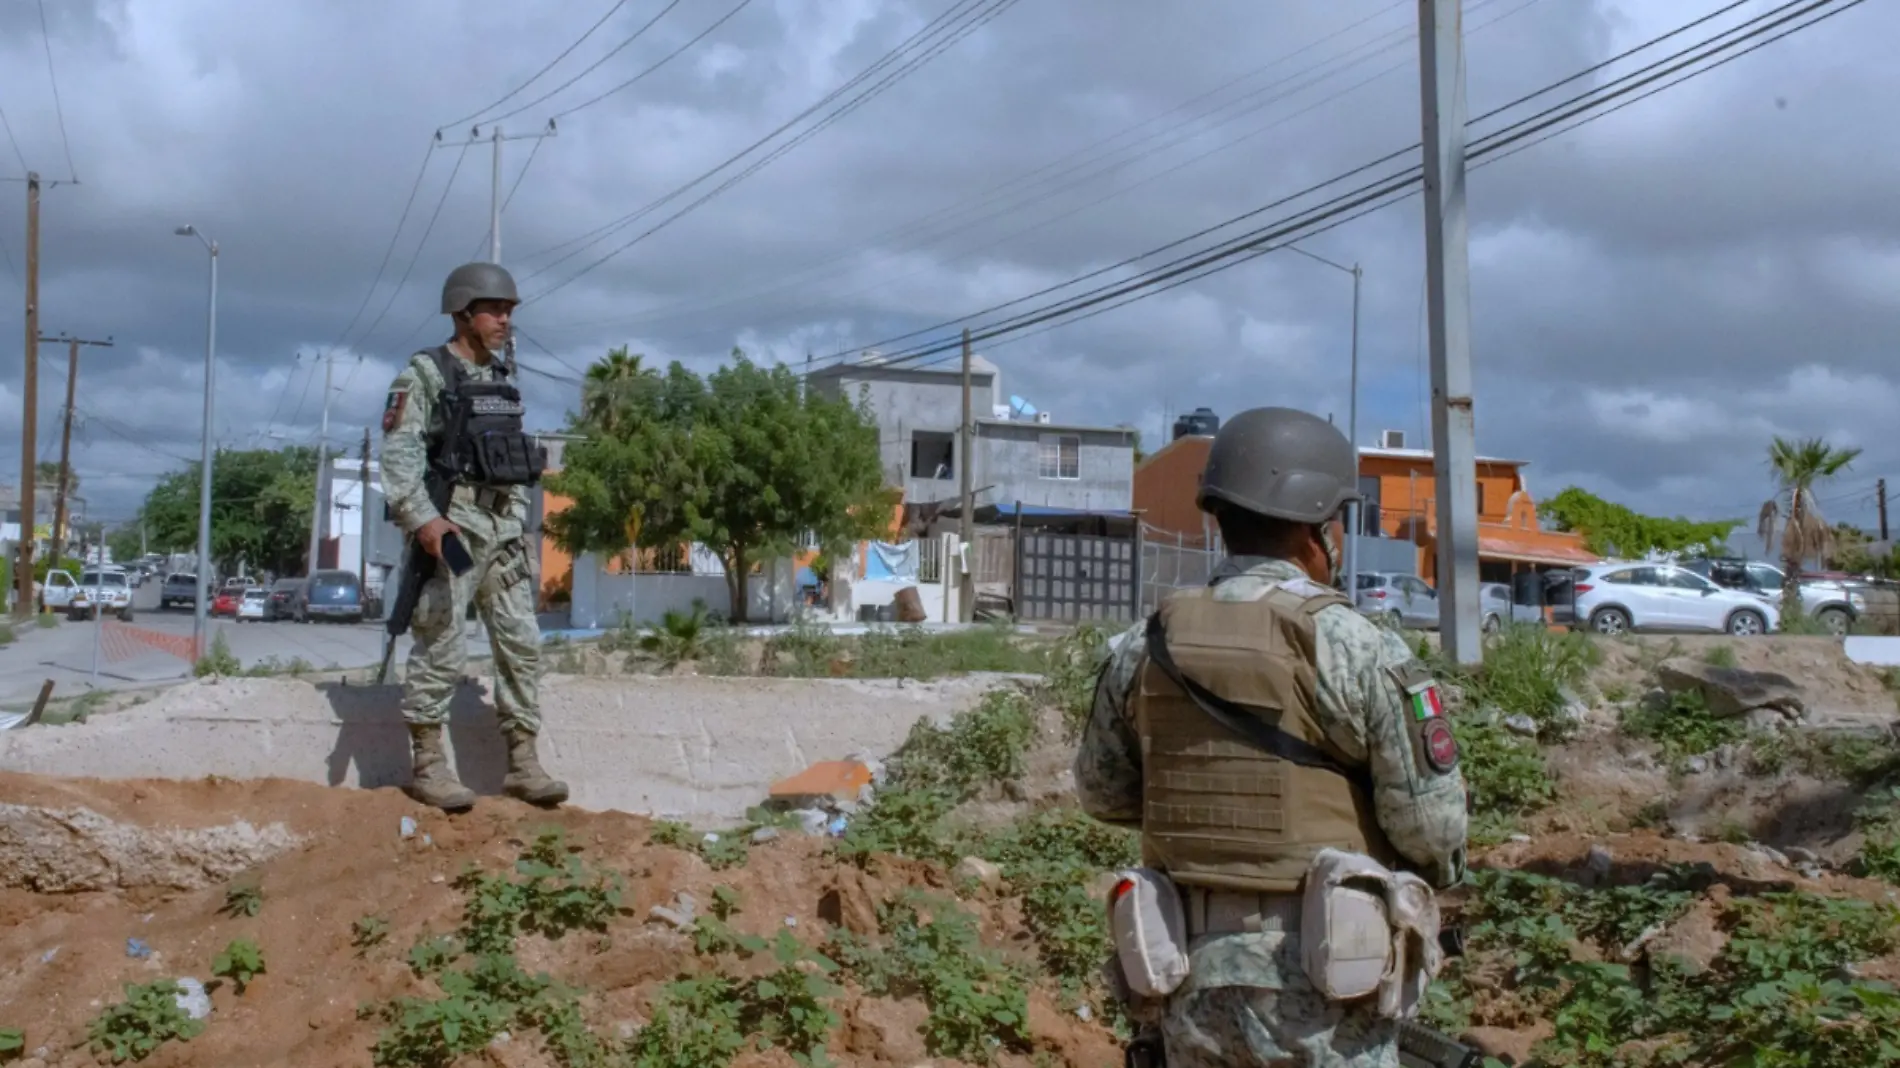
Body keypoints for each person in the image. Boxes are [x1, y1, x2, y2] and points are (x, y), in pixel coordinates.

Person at [1074, 406, 1468, 1067]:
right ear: (1319, 530)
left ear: (1221, 518)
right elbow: (1431, 829)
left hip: (1184, 975)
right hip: (1326, 976)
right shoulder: (1357, 646)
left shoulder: (1143, 646)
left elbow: (1103, 792)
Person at [380, 261, 567, 812]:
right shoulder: (426, 374)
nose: (505, 320)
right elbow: (399, 459)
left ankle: (523, 764)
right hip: (454, 532)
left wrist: (521, 529)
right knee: (443, 643)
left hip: (504, 533)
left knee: (522, 644)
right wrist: (426, 521)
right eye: (495, 310)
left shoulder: (500, 381)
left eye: (509, 311)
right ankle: (429, 765)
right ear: (463, 313)